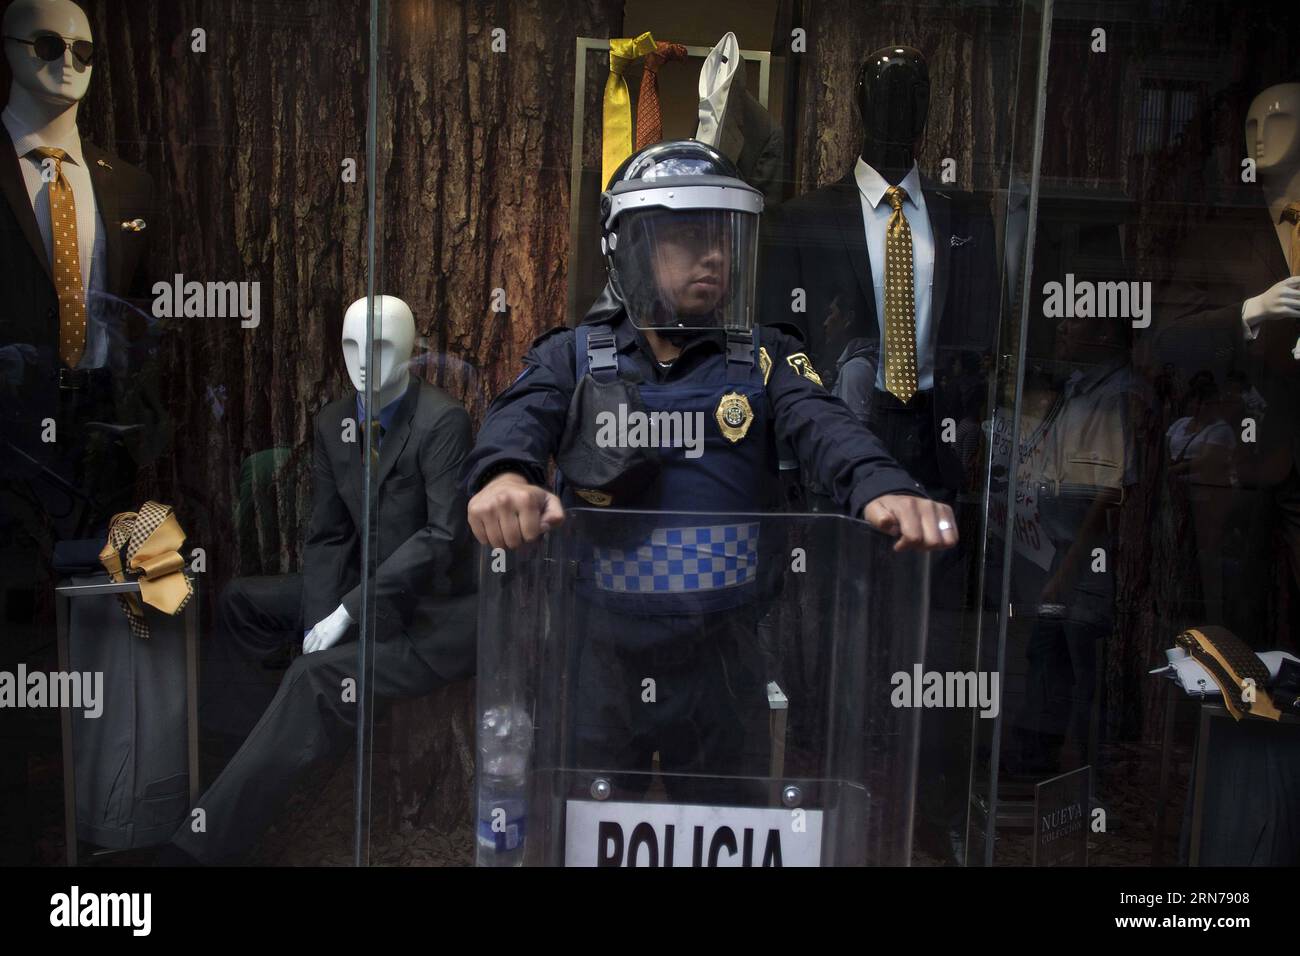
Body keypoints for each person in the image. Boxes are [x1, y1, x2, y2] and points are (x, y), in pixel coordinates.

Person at [461, 140, 956, 803]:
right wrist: (503, 479)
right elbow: (518, 417)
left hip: (724, 659)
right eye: (687, 238)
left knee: (728, 825)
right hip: (600, 660)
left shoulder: (763, 358)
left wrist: (881, 482)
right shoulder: (576, 355)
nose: (714, 255)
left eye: (722, 237)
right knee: (589, 827)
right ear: (632, 249)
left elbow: (826, 424)